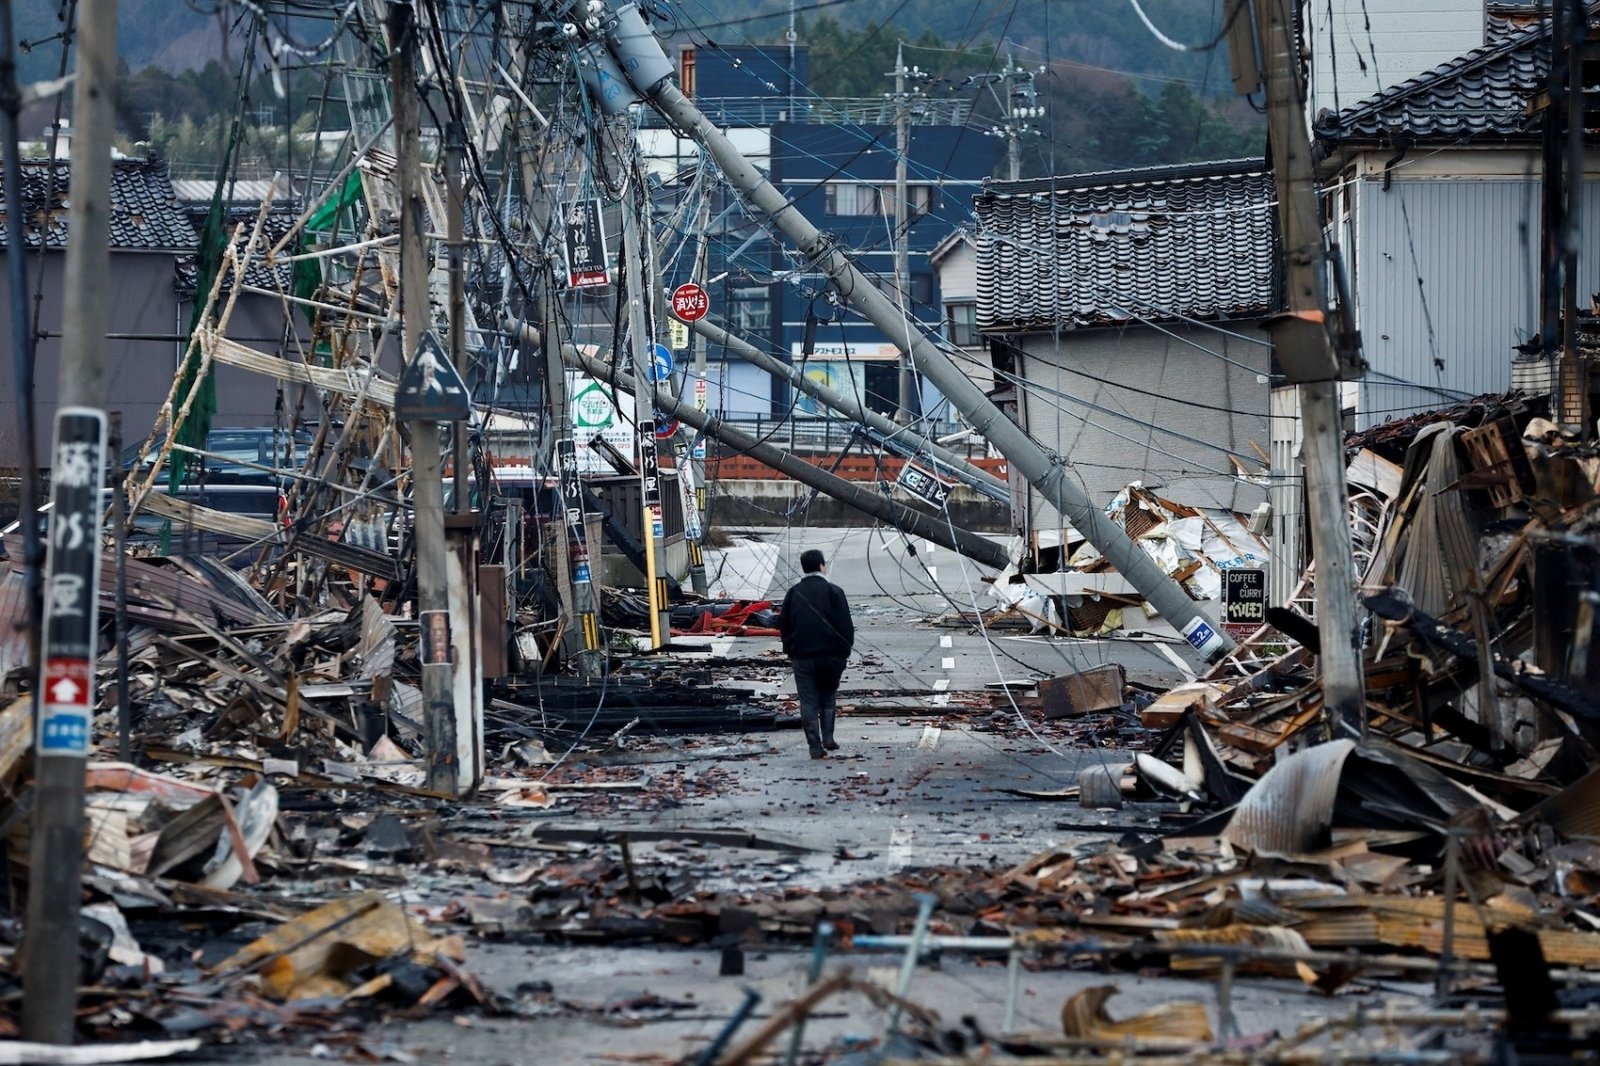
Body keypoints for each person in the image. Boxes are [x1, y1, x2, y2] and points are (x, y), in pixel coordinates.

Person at [779, 548, 854, 759]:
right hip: (832, 656)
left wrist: (790, 650)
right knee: (828, 696)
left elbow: (783, 624)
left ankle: (814, 746)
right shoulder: (835, 592)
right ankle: (828, 738)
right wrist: (844, 652)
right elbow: (846, 626)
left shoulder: (793, 593)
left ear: (804, 568)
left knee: (808, 700)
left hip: (803, 656)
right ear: (822, 566)